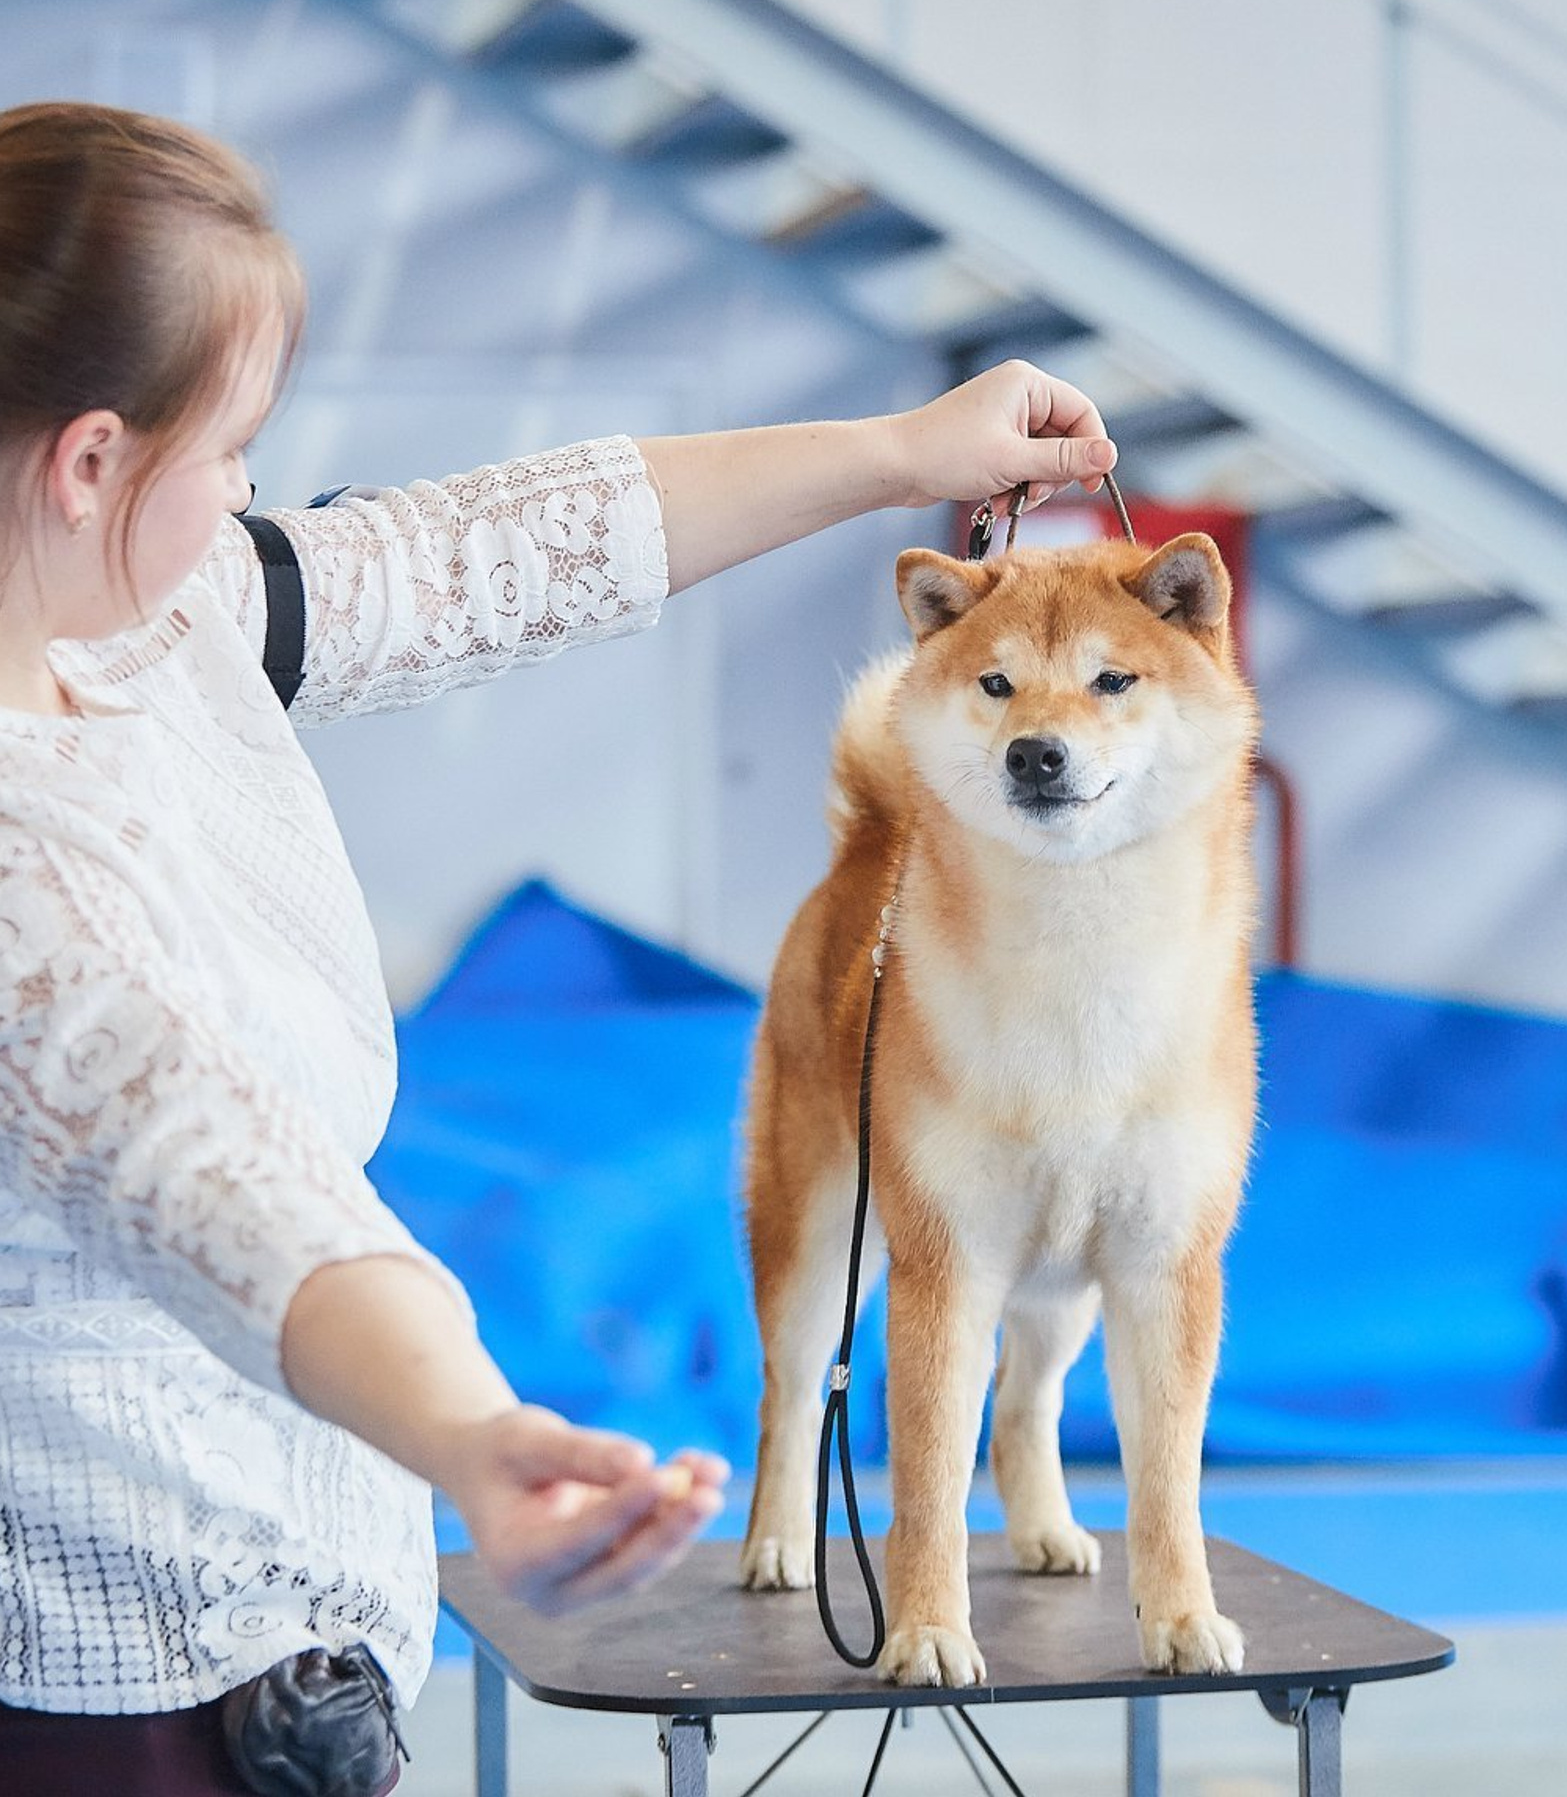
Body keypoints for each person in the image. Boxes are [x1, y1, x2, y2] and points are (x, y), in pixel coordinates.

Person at [0, 100, 1117, 1792]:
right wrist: (470, 1429)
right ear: (88, 462)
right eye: (234, 447)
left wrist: (906, 450)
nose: (247, 495)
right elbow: (208, 1169)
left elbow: (484, 554)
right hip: (123, 1698)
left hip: (279, 1634)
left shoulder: (155, 615)